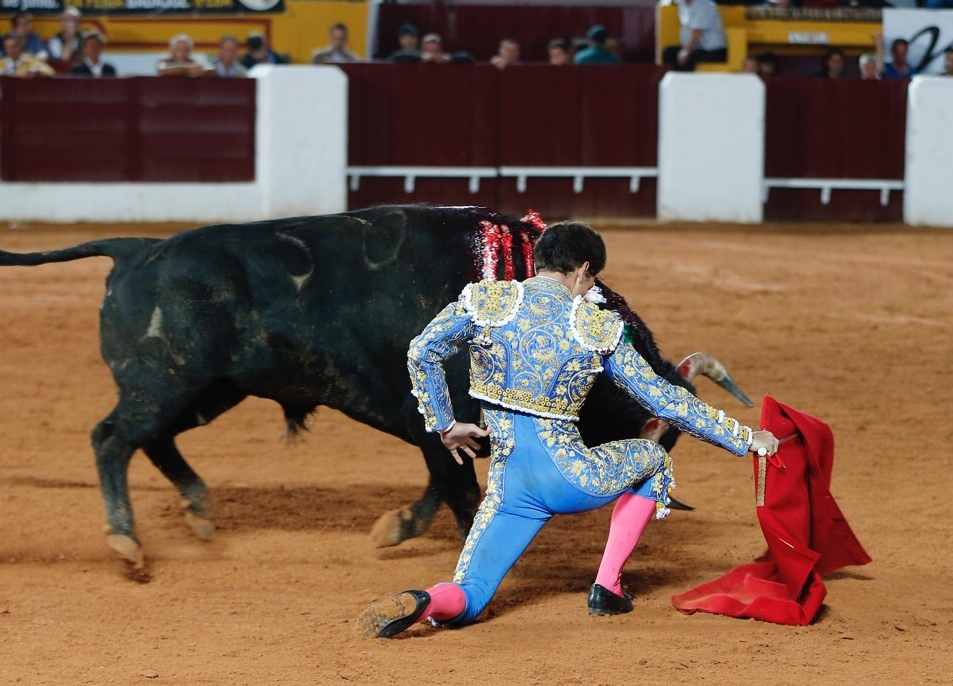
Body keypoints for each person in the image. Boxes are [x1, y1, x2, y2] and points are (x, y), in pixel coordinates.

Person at [358, 221, 778, 639]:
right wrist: (743, 438)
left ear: (539, 262)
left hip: (509, 489)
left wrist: (445, 425)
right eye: (591, 278)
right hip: (573, 477)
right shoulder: (594, 326)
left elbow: (422, 351)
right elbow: (663, 399)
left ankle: (429, 600)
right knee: (653, 459)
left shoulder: (486, 301)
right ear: (582, 269)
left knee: (470, 593)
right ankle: (607, 587)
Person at [662, 0, 727, 72]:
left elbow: (697, 31)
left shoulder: (704, 5)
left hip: (714, 51)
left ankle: (686, 82)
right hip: (697, 48)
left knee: (688, 58)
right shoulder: (682, 4)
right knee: (669, 53)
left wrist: (686, 51)